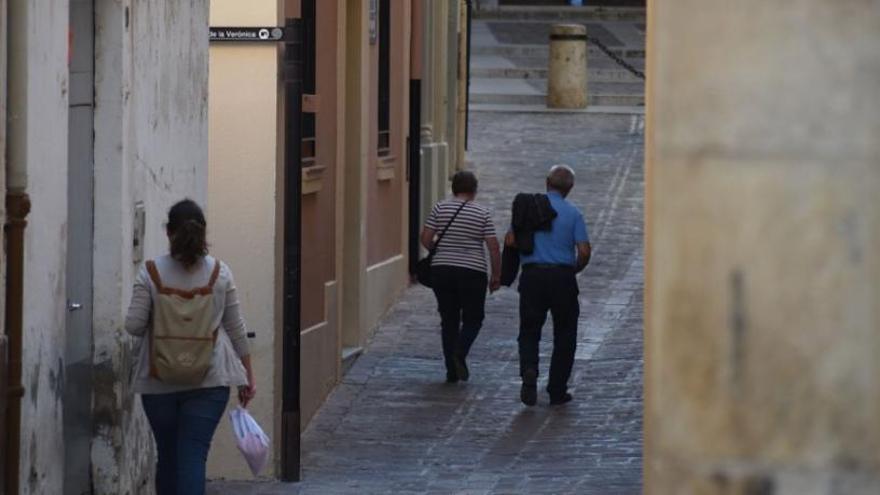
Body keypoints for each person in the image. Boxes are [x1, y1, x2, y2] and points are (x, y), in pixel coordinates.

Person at [125, 199, 256, 495]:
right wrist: (247, 376)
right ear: (203, 233)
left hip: (158, 381)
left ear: (168, 232)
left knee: (168, 456)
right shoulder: (220, 273)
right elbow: (236, 329)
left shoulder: (150, 273)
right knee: (193, 455)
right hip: (209, 380)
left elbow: (133, 325)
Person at [510, 165, 591, 406]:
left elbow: (512, 239)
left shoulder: (528, 208)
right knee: (565, 333)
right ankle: (557, 389)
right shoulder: (574, 213)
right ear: (570, 188)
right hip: (562, 278)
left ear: (547, 182)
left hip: (533, 276)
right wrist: (574, 268)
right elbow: (584, 251)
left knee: (529, 329)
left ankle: (529, 368)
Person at [421, 171, 502, 383]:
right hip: (473, 272)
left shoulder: (440, 208)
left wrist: (440, 251)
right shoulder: (482, 213)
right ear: (474, 191)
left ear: (454, 188)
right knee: (474, 318)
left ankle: (451, 370)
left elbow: (426, 238)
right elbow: (493, 247)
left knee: (449, 320)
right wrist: (496, 275)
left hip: (442, 270)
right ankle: (461, 352)